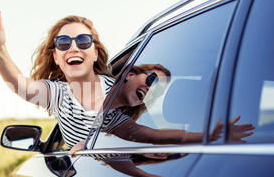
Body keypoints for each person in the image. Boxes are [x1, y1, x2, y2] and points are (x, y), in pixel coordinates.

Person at [0, 7, 116, 148]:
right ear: (56, 57)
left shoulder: (121, 87)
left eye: (83, 41)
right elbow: (22, 87)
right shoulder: (59, 95)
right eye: (63, 43)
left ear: (95, 52)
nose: (74, 48)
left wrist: (95, 145)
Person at [69, 63, 255, 154]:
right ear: (130, 74)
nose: (151, 90)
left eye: (156, 92)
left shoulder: (116, 121)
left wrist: (212, 136)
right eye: (152, 80)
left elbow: (156, 136)